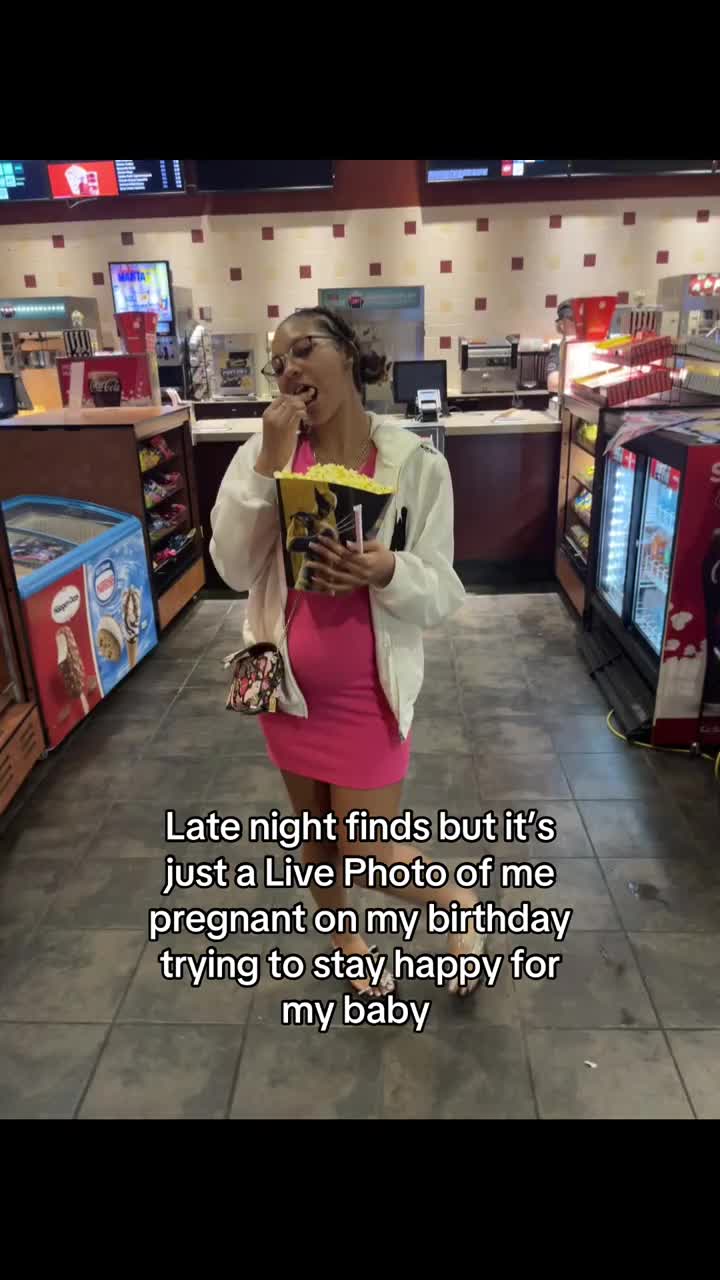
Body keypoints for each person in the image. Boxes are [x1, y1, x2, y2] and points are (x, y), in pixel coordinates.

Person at [210, 306, 486, 1001]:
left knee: (367, 852)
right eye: (278, 362)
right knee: (317, 842)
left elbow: (443, 590)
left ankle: (457, 902)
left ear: (351, 354)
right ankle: (347, 944)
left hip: (369, 695)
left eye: (305, 349)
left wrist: (387, 569)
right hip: (286, 692)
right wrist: (266, 467)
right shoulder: (264, 455)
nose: (290, 370)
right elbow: (233, 569)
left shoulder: (416, 464)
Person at [546, 300, 577, 394]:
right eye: (572, 319)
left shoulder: (588, 345)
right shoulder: (557, 350)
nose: (578, 324)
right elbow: (553, 384)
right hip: (566, 399)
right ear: (561, 325)